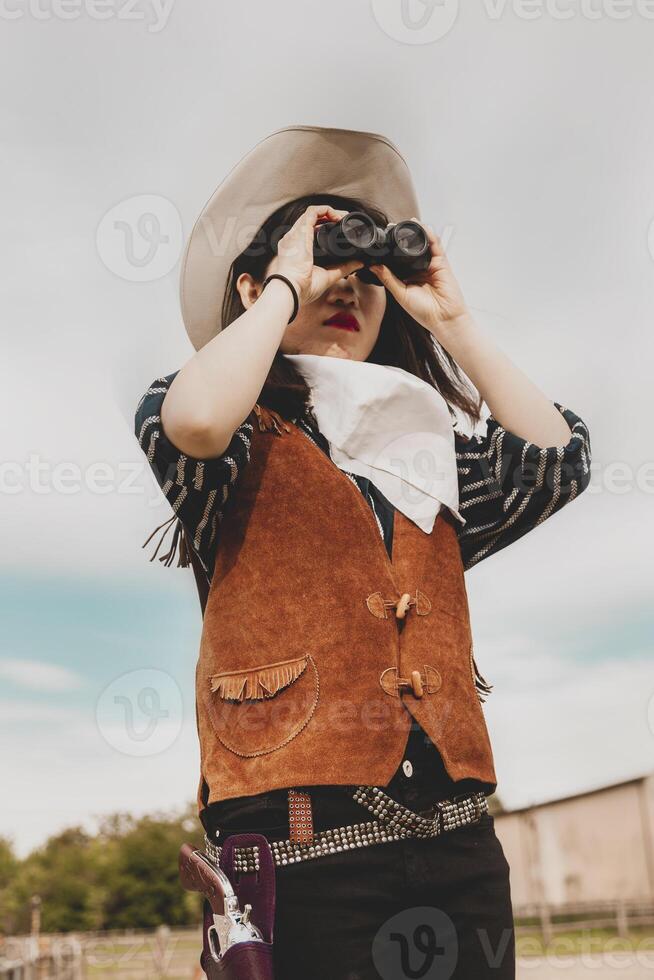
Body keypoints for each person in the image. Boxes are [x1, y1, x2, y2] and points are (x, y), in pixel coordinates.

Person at [134, 125, 591, 980]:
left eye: (367, 277)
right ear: (254, 284)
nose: (348, 286)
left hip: (458, 849)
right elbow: (193, 423)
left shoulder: (427, 451)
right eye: (324, 266)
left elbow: (555, 462)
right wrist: (281, 284)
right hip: (296, 853)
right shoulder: (226, 435)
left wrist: (451, 319)